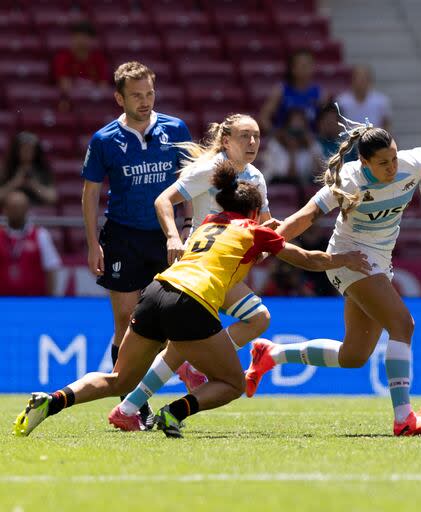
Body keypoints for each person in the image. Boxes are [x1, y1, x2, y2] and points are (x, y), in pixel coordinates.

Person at [13, 160, 370, 438]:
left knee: (119, 379)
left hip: (155, 293)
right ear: (255, 212)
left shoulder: (209, 222)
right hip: (192, 303)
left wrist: (264, 227)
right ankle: (176, 412)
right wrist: (345, 259)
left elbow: (239, 240)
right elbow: (308, 259)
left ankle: (53, 400)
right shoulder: (253, 229)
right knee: (232, 383)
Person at [244, 119, 421, 436]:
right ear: (364, 162)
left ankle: (270, 354)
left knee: (353, 356)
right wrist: (268, 244)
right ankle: (404, 418)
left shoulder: (411, 162)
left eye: (394, 157)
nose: (392, 166)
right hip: (349, 259)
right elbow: (306, 216)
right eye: (383, 162)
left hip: (379, 261)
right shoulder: (348, 180)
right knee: (402, 325)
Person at [110, 113, 277, 425]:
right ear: (226, 141)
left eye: (256, 135)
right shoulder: (208, 169)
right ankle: (196, 366)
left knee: (178, 348)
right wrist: (174, 235)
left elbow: (264, 224)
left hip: (223, 271)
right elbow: (163, 201)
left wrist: (265, 241)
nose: (252, 142)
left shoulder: (255, 177)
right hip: (199, 266)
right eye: (245, 136)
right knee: (257, 318)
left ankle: (128, 409)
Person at [81, 61, 192, 427]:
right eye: (136, 95)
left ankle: (145, 391)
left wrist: (189, 224)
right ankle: (132, 404)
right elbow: (90, 192)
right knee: (125, 322)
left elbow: (190, 181)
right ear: (119, 98)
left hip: (166, 238)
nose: (145, 101)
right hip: (123, 237)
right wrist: (91, 242)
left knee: (164, 324)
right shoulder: (104, 140)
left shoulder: (175, 129)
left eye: (149, 94)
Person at [0, 191, 61, 296]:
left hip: (34, 303)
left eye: (20, 207)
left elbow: (51, 269)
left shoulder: (41, 235)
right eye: (13, 207)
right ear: (5, 210)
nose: (16, 211)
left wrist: (50, 301)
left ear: (27, 209)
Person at [259, 49, 329, 132]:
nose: (306, 68)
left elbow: (328, 123)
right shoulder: (280, 90)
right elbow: (263, 118)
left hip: (311, 141)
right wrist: (276, 135)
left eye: (308, 65)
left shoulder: (321, 93)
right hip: (285, 140)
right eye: (302, 65)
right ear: (292, 69)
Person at [52, 21, 110, 109]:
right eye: (77, 36)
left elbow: (103, 86)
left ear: (92, 40)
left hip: (93, 103)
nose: (81, 41)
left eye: (85, 37)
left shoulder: (99, 59)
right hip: (72, 103)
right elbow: (64, 85)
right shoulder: (63, 58)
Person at [260, 108, 323, 187]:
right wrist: (291, 153)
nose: (295, 136)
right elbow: (286, 176)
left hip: (303, 186)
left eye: (298, 132)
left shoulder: (312, 145)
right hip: (277, 183)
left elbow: (321, 172)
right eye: (292, 131)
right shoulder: (275, 145)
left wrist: (311, 146)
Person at [0, 132, 57, 206]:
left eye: (30, 149)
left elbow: (52, 198)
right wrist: (14, 183)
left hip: (38, 211)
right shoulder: (6, 169)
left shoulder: (43, 170)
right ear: (16, 150)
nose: (27, 152)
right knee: (17, 199)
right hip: (12, 212)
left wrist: (33, 185)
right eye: (24, 148)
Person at [337, 65, 392, 133]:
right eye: (358, 78)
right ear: (352, 80)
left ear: (370, 80)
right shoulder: (341, 101)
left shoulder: (381, 101)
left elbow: (386, 124)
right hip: (349, 141)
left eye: (364, 78)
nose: (361, 82)